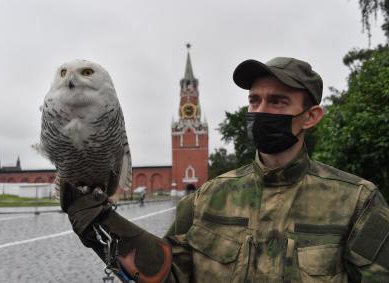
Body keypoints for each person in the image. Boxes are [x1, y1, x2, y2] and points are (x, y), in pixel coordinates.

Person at [60, 57, 389, 283]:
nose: (260, 111)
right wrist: (99, 222)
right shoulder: (209, 196)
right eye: (254, 100)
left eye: (277, 102)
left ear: (311, 116)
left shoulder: (356, 202)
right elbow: (168, 273)